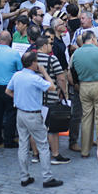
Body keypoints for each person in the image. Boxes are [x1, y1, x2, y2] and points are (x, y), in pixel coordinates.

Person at [6, 51, 64, 188]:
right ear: (33, 64)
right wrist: (44, 72)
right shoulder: (35, 78)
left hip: (20, 113)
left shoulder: (17, 75)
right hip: (33, 114)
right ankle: (47, 178)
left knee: (23, 144)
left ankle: (24, 176)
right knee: (43, 146)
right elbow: (52, 87)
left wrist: (19, 98)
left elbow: (8, 91)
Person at [69, 30, 98, 157]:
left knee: (86, 118)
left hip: (83, 86)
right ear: (93, 39)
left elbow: (71, 72)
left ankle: (84, 150)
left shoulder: (76, 53)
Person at [34, 37, 71, 165]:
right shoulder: (52, 59)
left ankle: (35, 154)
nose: (51, 46)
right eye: (50, 44)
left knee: (35, 128)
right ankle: (55, 155)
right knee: (53, 128)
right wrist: (64, 92)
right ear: (44, 46)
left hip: (35, 99)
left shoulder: (31, 59)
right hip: (50, 98)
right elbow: (61, 78)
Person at [0, 31, 22, 148]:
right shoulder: (14, 53)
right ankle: (9, 139)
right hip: (9, 87)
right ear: (10, 39)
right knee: (11, 113)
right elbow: (20, 69)